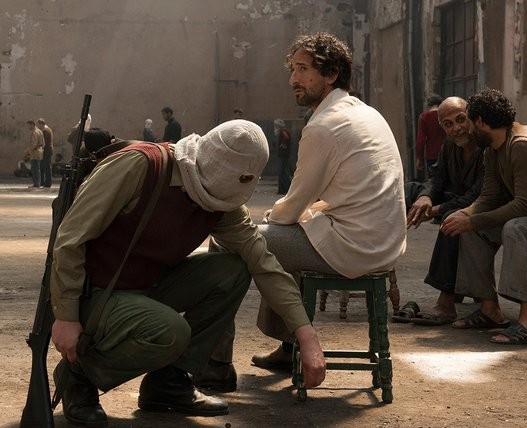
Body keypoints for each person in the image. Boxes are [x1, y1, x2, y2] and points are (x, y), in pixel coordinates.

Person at [50, 120, 326, 426]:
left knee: (233, 271)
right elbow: (70, 240)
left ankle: (168, 383)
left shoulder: (223, 200)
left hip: (146, 284)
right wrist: (67, 316)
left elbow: (263, 262)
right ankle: (79, 376)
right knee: (171, 331)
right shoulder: (139, 167)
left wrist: (305, 334)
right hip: (97, 292)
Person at [249, 32, 407, 369]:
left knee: (238, 239)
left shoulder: (325, 125)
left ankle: (215, 362)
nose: (293, 79)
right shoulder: (366, 112)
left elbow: (292, 207)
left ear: (331, 74)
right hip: (384, 242)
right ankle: (289, 348)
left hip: (354, 246)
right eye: (292, 69)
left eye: (303, 69)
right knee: (286, 236)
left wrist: (271, 218)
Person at [441, 88, 527, 344]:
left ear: (480, 122)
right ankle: (489, 309)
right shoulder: (492, 149)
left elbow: (524, 206)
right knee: (469, 228)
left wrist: (473, 219)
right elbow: (488, 197)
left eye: (467, 121)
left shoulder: (523, 145)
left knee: (517, 228)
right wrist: (464, 215)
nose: (466, 129)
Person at [401, 97, 484, 325]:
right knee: (409, 191)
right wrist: (425, 197)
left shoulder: (484, 147)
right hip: (455, 197)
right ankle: (375, 258)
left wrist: (436, 210)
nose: (456, 128)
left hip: (482, 205)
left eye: (460, 119)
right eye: (448, 124)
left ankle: (446, 302)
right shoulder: (450, 144)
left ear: (471, 117)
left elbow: (476, 195)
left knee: (450, 220)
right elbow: (436, 177)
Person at [416, 94, 446, 181]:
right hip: (446, 153)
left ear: (428, 105)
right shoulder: (444, 115)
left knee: (434, 181)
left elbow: (421, 140)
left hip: (432, 156)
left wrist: (419, 158)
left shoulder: (424, 117)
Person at [273, 118, 292, 194]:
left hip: (283, 155)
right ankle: (283, 189)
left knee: (281, 173)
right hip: (284, 155)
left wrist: (282, 145)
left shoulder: (282, 131)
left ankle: (285, 189)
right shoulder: (283, 131)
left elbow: (286, 137)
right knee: (283, 172)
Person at [25, 120, 45, 188]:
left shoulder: (35, 132)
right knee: (37, 168)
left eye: (28, 125)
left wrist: (28, 151)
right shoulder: (40, 131)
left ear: (32, 125)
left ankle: (36, 183)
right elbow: (43, 143)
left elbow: (34, 144)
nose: (28, 127)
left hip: (35, 152)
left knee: (35, 169)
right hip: (39, 151)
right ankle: (37, 183)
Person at [37, 118, 54, 188]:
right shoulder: (48, 129)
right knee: (46, 166)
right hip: (47, 150)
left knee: (46, 167)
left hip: (46, 151)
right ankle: (45, 182)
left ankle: (47, 183)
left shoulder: (45, 130)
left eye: (38, 125)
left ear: (41, 124)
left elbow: (44, 142)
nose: (38, 127)